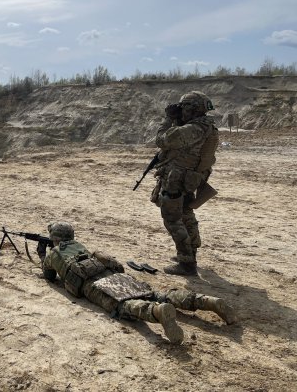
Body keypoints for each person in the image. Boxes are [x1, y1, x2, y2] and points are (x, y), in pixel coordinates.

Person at [41, 221, 237, 345]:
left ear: (54, 239)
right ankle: (207, 301)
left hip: (92, 285)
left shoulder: (54, 254)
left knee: (123, 305)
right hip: (114, 275)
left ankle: (157, 312)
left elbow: (49, 277)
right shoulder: (82, 247)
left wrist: (42, 253)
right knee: (156, 294)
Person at [152, 91, 219, 276]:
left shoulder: (193, 129)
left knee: (173, 218)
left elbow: (162, 140)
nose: (181, 111)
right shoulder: (206, 126)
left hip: (177, 180)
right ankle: (190, 253)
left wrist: (168, 119)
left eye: (184, 108)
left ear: (192, 109)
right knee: (186, 214)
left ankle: (186, 262)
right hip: (189, 179)